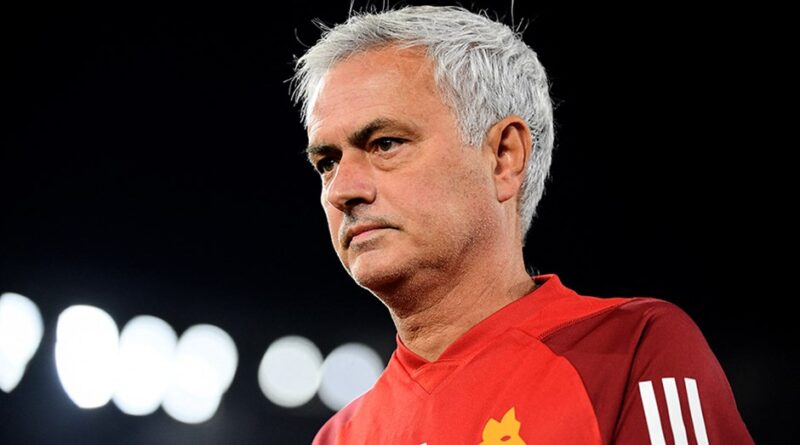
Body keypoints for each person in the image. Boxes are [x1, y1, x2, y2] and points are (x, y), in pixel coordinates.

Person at [291, 5, 753, 444]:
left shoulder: (633, 350)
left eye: (385, 143)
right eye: (327, 162)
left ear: (503, 157)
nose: (341, 190)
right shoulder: (337, 437)